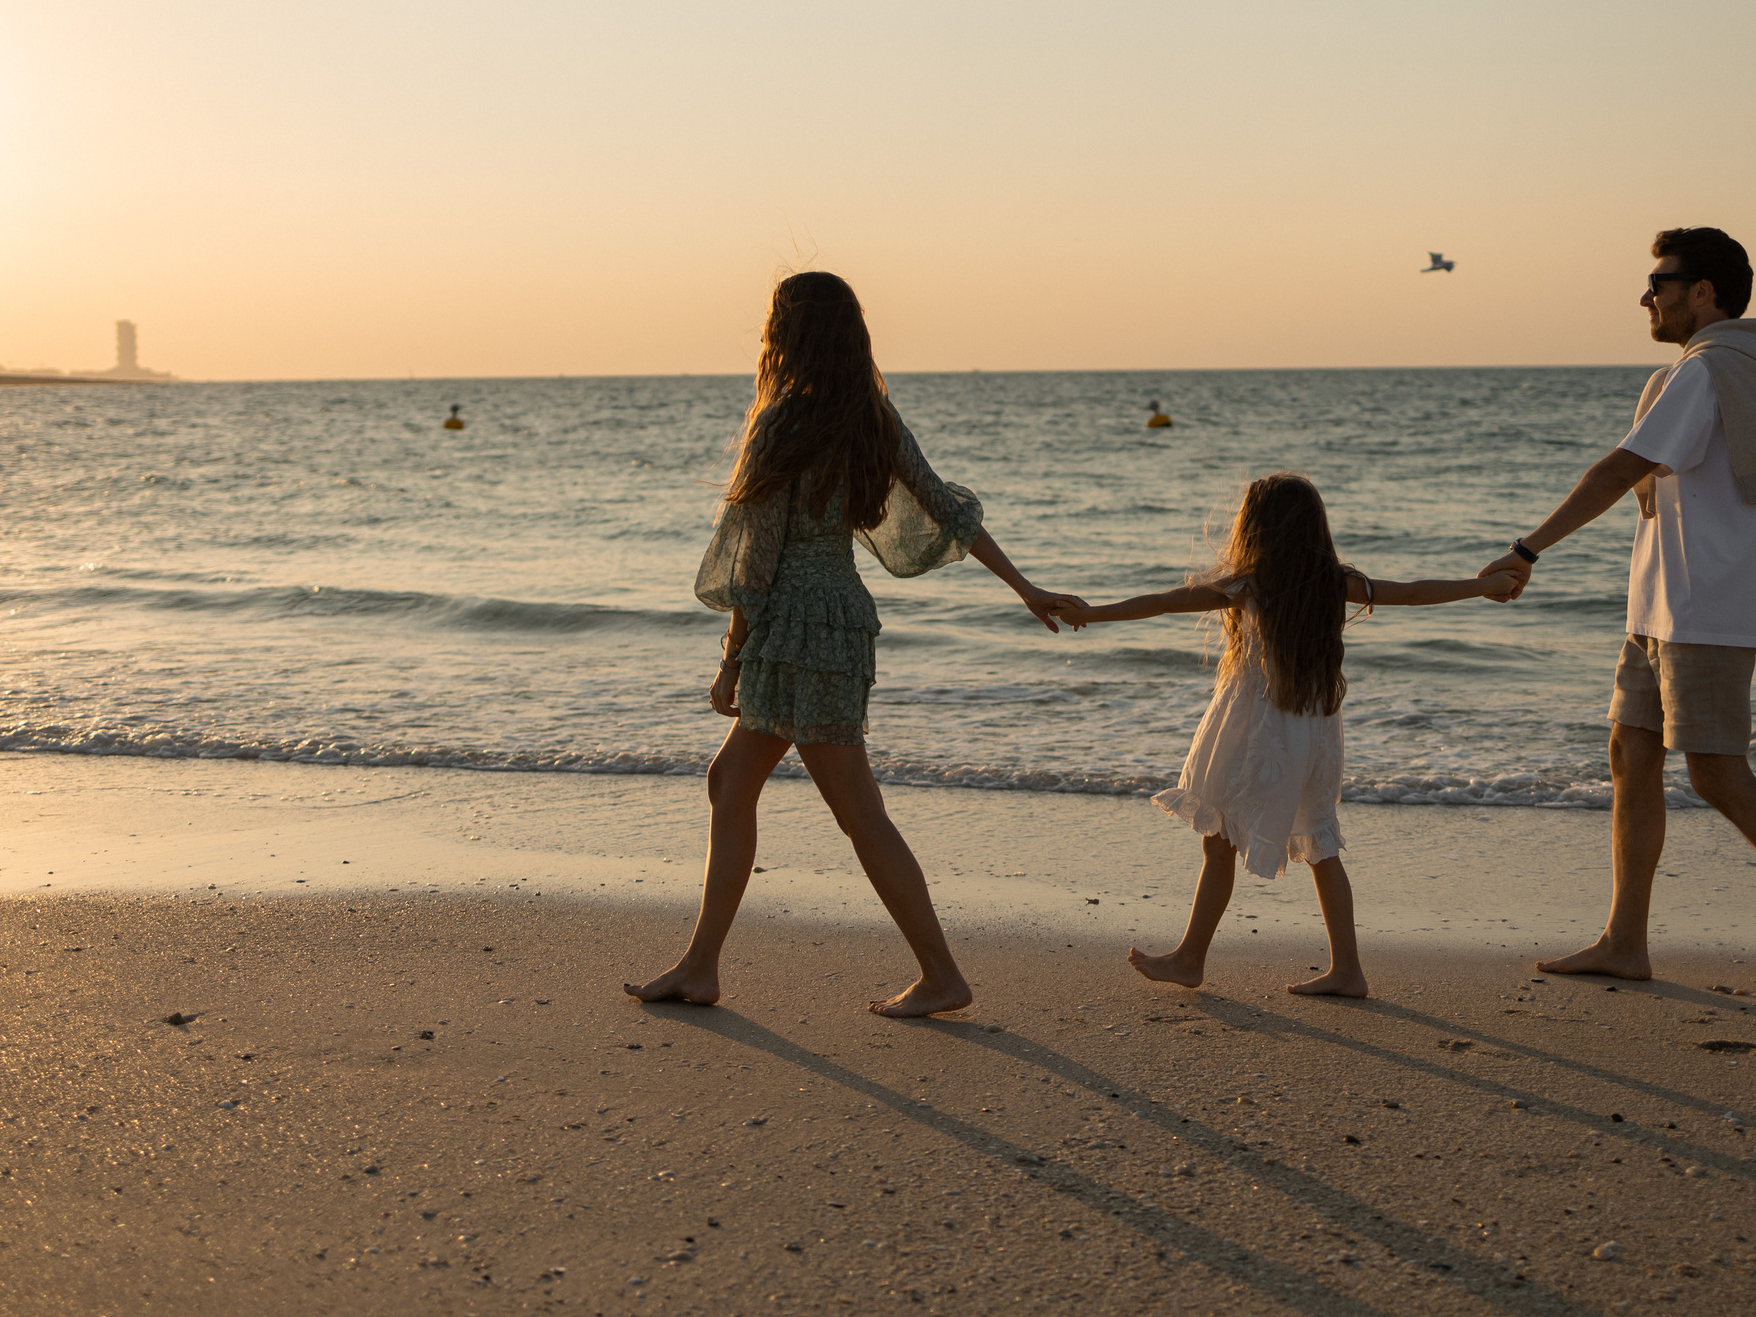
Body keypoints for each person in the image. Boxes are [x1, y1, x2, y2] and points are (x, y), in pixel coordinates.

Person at [625, 272, 1082, 1018]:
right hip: (842, 619)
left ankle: (941, 975)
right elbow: (948, 508)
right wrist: (1024, 586)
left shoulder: (782, 423)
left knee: (854, 809)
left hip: (793, 626)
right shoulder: (872, 417)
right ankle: (701, 965)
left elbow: (755, 559)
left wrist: (731, 656)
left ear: (786, 335)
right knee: (733, 781)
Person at [1480, 227, 1756, 998]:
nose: (1647, 296)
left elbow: (1620, 468)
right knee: (1631, 760)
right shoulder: (1755, 372)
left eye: (1660, 281)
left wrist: (1528, 550)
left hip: (1700, 611)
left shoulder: (1707, 374)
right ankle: (1624, 942)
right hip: (1661, 609)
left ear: (1704, 293)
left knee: (1717, 774)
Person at [1054, 473, 1516, 998]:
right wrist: (1484, 586)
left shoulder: (1250, 584)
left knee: (1220, 838)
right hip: (1314, 728)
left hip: (1255, 726)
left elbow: (1163, 600)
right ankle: (1347, 970)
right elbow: (1412, 592)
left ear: (1255, 529)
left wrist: (1093, 613)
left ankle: (1190, 958)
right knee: (1320, 839)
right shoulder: (1334, 582)